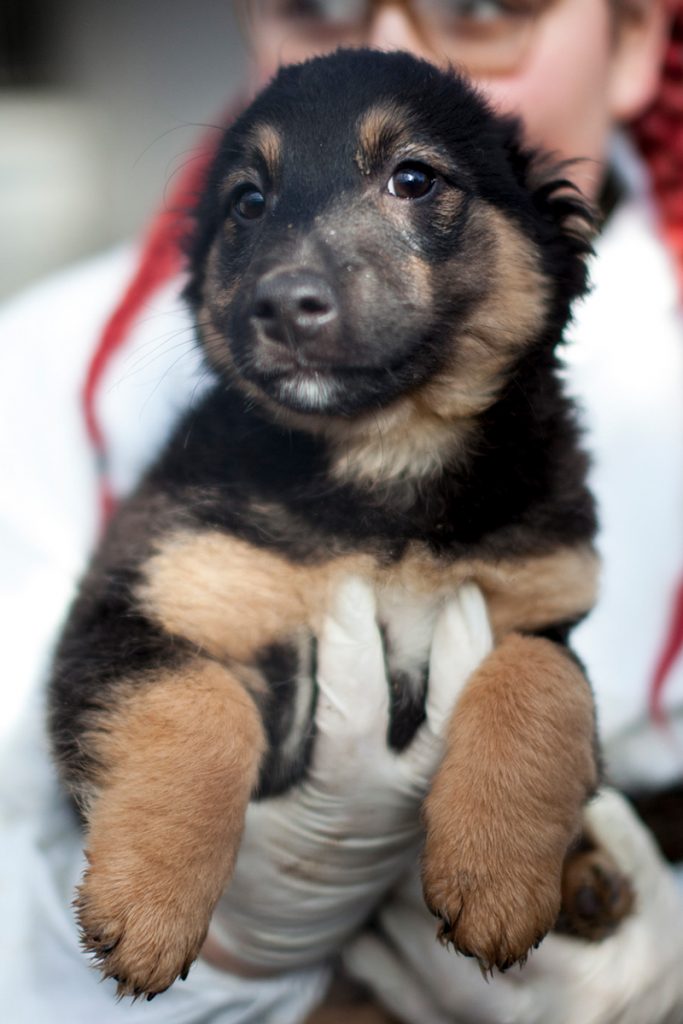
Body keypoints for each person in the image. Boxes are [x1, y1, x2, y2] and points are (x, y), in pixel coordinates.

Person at [1, 1, 682, 1022]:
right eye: (320, 4)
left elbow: (539, 645)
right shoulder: (46, 368)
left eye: (484, 7)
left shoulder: (562, 468)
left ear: (637, 42)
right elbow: (117, 664)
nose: (393, 50)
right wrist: (237, 943)